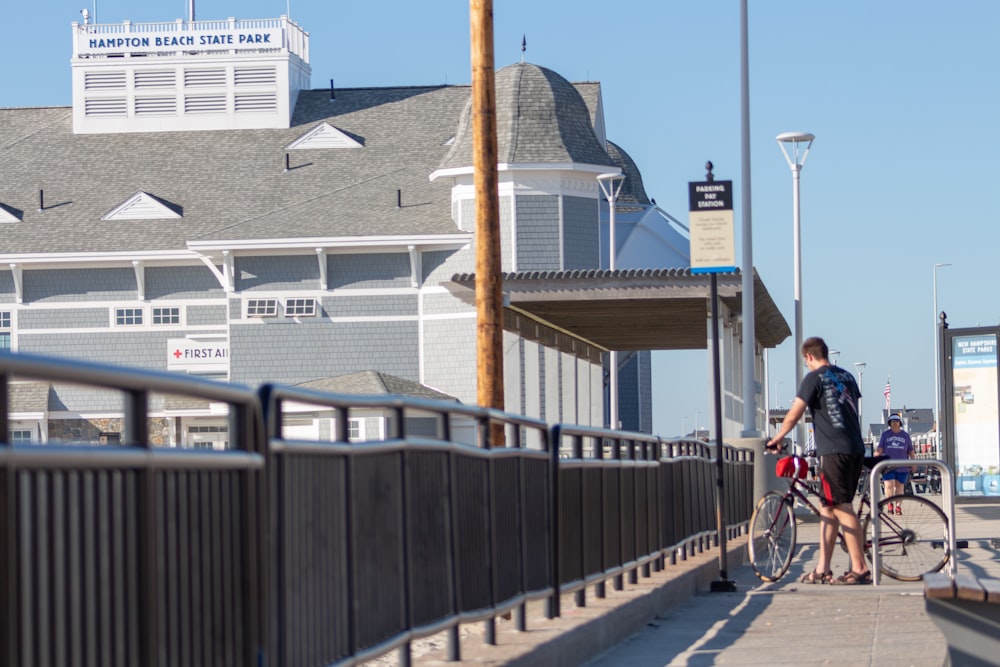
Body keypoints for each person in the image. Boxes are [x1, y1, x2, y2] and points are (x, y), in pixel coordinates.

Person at [766, 337, 871, 585]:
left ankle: (860, 567)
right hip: (854, 446)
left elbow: (795, 413)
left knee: (842, 506)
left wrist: (778, 438)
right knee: (828, 507)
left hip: (834, 450)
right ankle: (823, 568)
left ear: (809, 357)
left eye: (806, 361)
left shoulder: (814, 378)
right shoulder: (847, 376)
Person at [875, 414, 914, 514]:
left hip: (902, 465)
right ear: (890, 423)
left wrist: (914, 463)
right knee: (889, 485)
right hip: (888, 465)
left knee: (899, 487)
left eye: (896, 421)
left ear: (900, 423)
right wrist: (875, 457)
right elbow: (880, 449)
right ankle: (889, 504)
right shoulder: (885, 435)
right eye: (892, 422)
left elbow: (910, 450)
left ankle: (898, 507)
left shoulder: (905, 435)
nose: (895, 423)